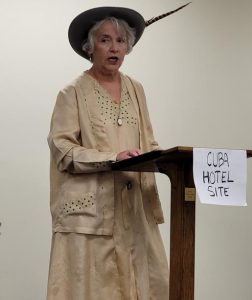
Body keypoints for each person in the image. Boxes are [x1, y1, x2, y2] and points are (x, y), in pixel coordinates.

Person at [47, 4, 189, 300]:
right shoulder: (71, 92)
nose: (114, 48)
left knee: (147, 286)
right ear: (90, 47)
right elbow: (63, 150)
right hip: (92, 216)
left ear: (128, 47)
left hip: (135, 208)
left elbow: (149, 142)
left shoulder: (136, 89)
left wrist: (173, 163)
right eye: (105, 40)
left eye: (121, 41)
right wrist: (112, 159)